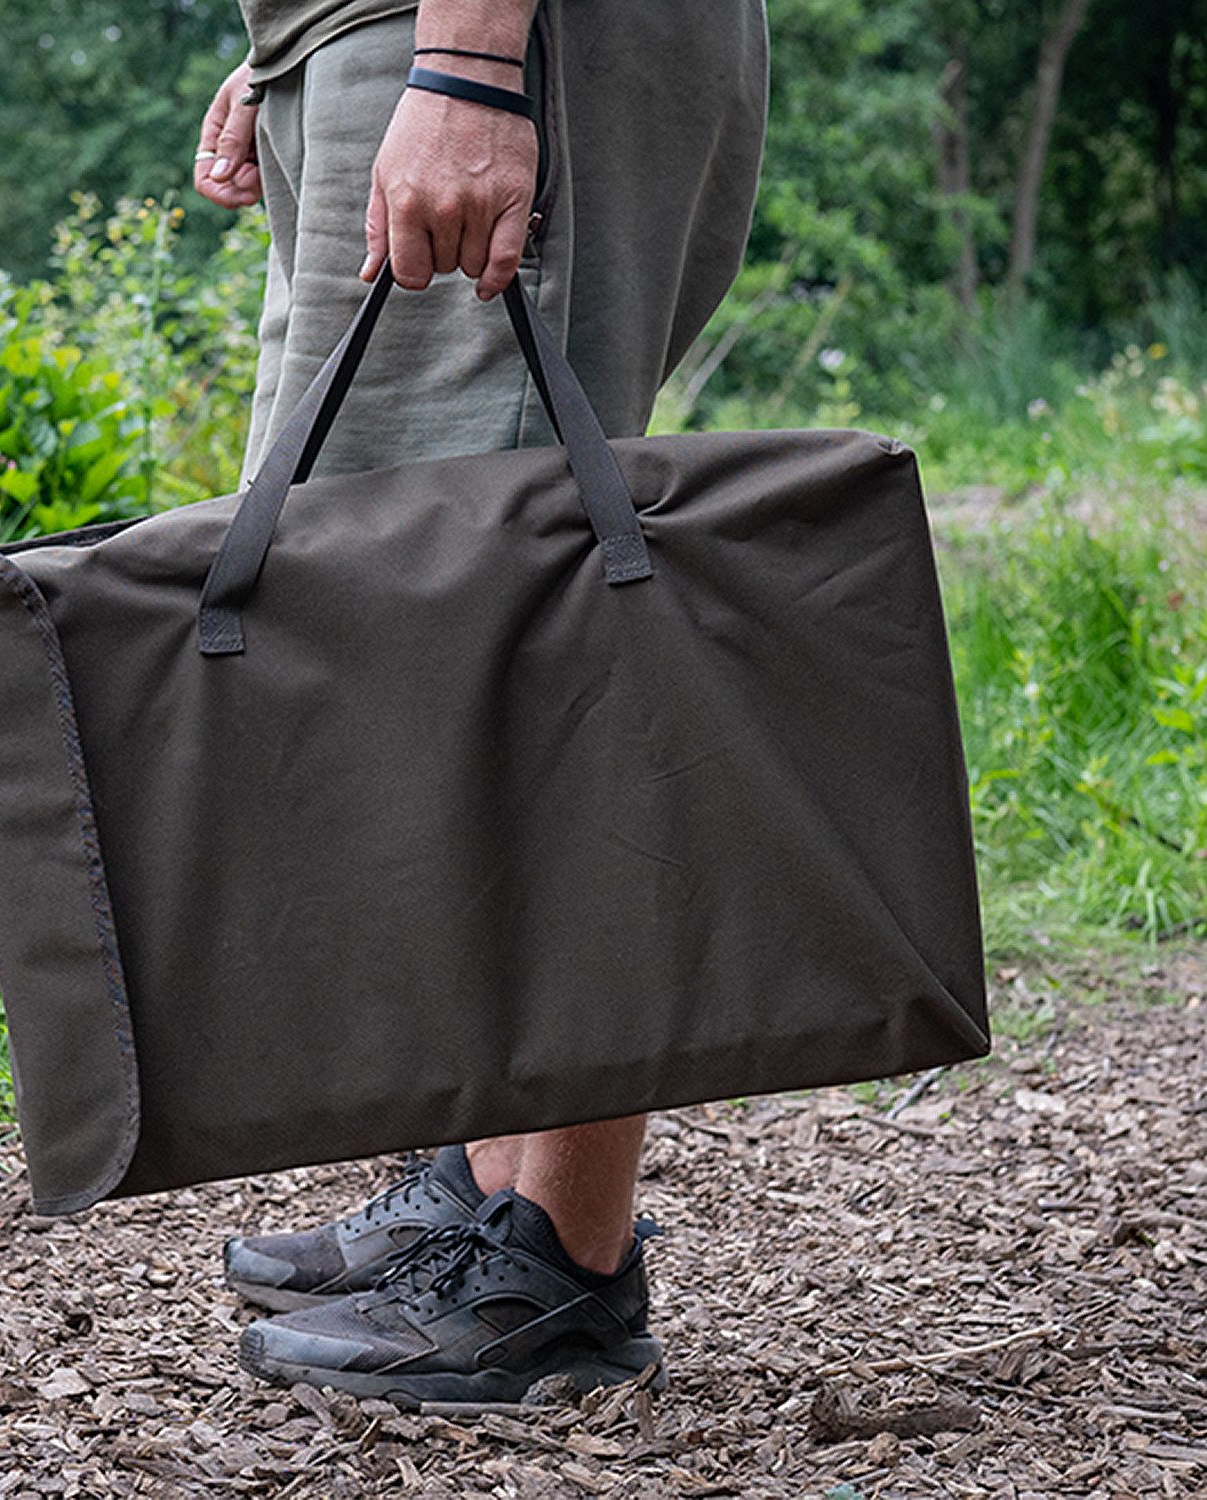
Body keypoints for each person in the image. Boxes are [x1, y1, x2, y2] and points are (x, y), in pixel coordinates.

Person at [192, 0, 768, 1405]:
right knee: (416, 658)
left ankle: (560, 1256)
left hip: (498, 40)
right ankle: (483, 1187)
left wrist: (467, 58)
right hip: (417, 36)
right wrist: (294, 46)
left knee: (512, 667)